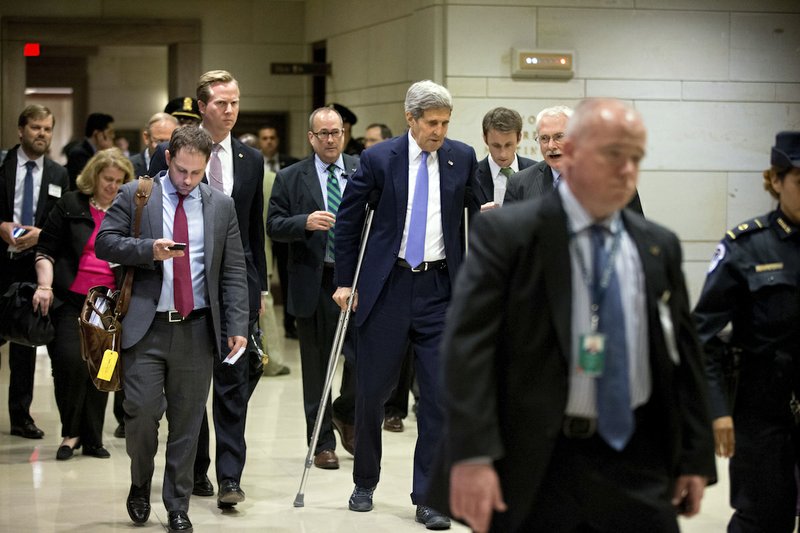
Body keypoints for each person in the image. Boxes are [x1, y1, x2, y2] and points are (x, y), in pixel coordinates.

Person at [426, 98, 716, 533]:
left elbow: (683, 355)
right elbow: (468, 351)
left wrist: (695, 455)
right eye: (611, 155)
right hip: (539, 461)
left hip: (637, 457)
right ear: (575, 153)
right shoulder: (510, 237)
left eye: (634, 157)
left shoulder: (657, 245)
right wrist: (472, 455)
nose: (626, 170)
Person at [333, 80, 479, 530]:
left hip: (439, 289)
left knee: (436, 398)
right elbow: (348, 222)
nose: (439, 130)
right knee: (372, 393)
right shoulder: (379, 159)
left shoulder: (462, 156)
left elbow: (477, 210)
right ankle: (365, 481)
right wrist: (343, 282)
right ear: (410, 119)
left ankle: (428, 496)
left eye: (445, 123)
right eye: (431, 122)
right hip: (388, 287)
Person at [95, 126, 249, 533]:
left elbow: (233, 270)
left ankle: (177, 504)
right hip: (145, 328)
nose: (188, 181)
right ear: (168, 160)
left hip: (197, 329)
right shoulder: (137, 194)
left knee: (187, 422)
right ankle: (140, 481)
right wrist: (148, 250)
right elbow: (105, 242)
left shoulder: (220, 206)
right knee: (142, 415)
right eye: (182, 171)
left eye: (197, 174)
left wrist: (236, 325)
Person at [150, 70, 267, 508]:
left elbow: (253, 231)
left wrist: (258, 290)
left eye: (235, 102)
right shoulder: (171, 153)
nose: (230, 110)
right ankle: (196, 469)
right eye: (221, 103)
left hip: (235, 287)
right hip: (186, 288)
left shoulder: (250, 159)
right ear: (202, 107)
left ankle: (231, 476)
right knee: (189, 386)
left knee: (234, 380)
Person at [693, 131, 800, 533]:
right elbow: (702, 334)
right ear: (775, 181)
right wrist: (718, 410)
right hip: (762, 412)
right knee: (762, 517)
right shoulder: (745, 247)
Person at [267, 106, 360, 468]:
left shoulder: (361, 169)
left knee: (361, 360)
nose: (331, 139)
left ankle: (345, 413)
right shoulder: (292, 177)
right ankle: (321, 441)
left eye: (336, 132)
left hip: (355, 280)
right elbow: (274, 224)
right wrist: (303, 222)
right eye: (323, 133)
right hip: (315, 280)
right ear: (311, 137)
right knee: (318, 367)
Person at [32, 148, 134, 460]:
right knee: (68, 363)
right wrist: (45, 286)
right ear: (94, 176)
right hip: (71, 299)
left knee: (102, 370)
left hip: (108, 304)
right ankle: (70, 433)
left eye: (119, 181)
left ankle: (92, 437)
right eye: (107, 179)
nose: (112, 186)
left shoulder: (129, 211)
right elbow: (45, 249)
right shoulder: (70, 204)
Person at [0, 104, 69, 440]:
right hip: (0, 262)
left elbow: (61, 225)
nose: (41, 134)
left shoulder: (58, 174)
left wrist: (42, 236)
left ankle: (20, 416)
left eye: (47, 129)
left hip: (32, 267)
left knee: (24, 346)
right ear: (20, 130)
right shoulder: (2, 165)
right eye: (35, 128)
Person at [505, 105, 644, 215]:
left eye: (559, 136)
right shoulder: (519, 184)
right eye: (544, 138)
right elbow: (508, 238)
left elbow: (637, 234)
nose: (551, 146)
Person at [475, 107, 536, 210]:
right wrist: (476, 216)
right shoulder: (471, 175)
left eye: (508, 145)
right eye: (496, 146)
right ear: (485, 139)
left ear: (519, 137)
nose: (503, 154)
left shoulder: (537, 172)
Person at [65, 112, 115, 189]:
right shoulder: (79, 154)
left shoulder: (95, 152)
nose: (113, 136)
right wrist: (108, 151)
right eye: (110, 132)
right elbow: (93, 182)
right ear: (97, 134)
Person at [129, 112, 178, 178]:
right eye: (160, 141)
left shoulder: (180, 167)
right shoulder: (129, 165)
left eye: (169, 142)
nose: (164, 146)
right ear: (146, 138)